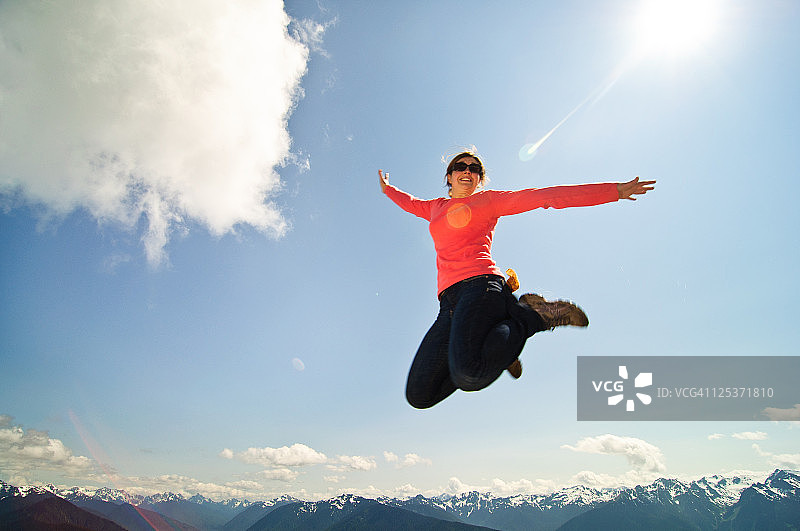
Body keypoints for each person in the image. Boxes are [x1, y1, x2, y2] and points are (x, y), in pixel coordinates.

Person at [379, 151, 655, 409]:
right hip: (448, 303)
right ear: (449, 176)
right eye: (460, 166)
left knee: (470, 376)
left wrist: (612, 191)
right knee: (419, 395)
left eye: (475, 169)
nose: (468, 171)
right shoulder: (435, 208)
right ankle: (498, 344)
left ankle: (530, 316)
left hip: (482, 287)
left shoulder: (488, 201)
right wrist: (387, 188)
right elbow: (407, 201)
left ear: (479, 179)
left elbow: (544, 197)